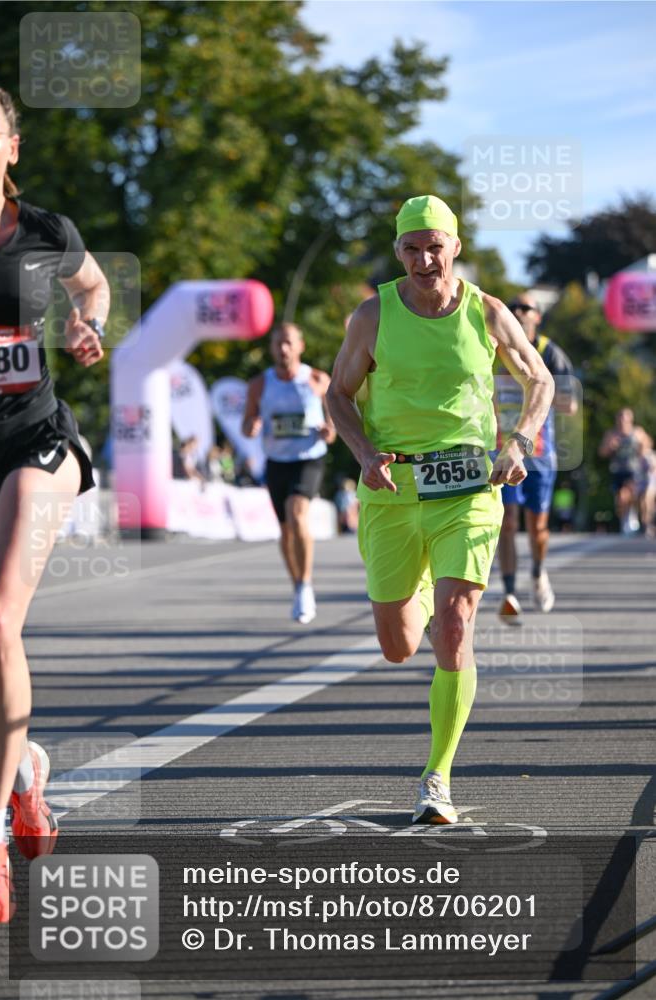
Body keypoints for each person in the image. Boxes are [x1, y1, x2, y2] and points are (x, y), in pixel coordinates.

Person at [327, 195, 554, 825]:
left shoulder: (487, 311)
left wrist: (519, 440)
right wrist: (365, 452)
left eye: (435, 246)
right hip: (393, 489)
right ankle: (421, 596)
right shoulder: (374, 315)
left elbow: (540, 380)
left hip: (469, 489)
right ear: (397, 252)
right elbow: (338, 395)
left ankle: (437, 776)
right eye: (411, 248)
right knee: (399, 645)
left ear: (455, 246)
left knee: (455, 629)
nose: (425, 259)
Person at [0, 87, 108, 922]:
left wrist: (85, 323)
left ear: (11, 147)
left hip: (36, 439)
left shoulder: (45, 233)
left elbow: (93, 285)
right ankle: (26, 769)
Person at [242, 322, 336, 624]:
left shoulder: (318, 380)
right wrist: (252, 426)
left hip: (308, 458)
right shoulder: (259, 384)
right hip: (276, 461)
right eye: (277, 344)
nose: (283, 349)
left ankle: (306, 584)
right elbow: (247, 425)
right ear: (271, 348)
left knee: (297, 514)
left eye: (288, 343)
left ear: (300, 346)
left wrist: (328, 430)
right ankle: (296, 583)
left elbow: (335, 426)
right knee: (285, 529)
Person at [494, 293, 577, 622]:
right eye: (514, 306)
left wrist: (537, 390)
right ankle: (510, 592)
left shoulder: (549, 352)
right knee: (508, 522)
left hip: (540, 451)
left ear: (537, 317)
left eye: (526, 307)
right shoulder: (495, 348)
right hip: (501, 446)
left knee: (537, 525)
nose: (518, 311)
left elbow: (570, 403)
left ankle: (539, 572)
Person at [599, 408, 646, 535]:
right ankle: (625, 519)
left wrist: (642, 447)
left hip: (633, 469)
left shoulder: (637, 432)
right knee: (620, 497)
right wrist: (610, 446)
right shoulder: (612, 434)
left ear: (630, 419)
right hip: (617, 469)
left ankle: (632, 516)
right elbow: (602, 452)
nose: (622, 421)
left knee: (631, 494)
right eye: (620, 418)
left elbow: (647, 447)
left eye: (624, 418)